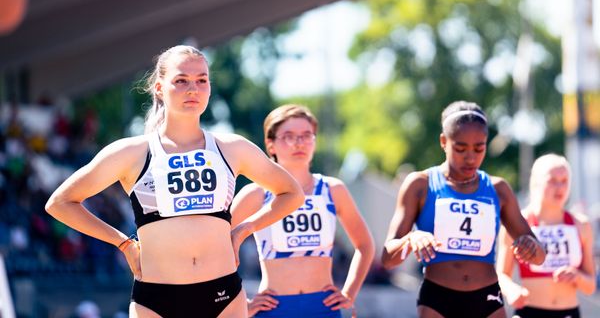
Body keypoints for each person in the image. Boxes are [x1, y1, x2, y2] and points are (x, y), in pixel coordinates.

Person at [45, 45, 304, 318]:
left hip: (224, 296)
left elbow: (291, 193)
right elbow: (60, 203)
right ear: (159, 88)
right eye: (181, 80)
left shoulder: (233, 148)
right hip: (156, 300)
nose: (193, 89)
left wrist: (243, 230)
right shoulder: (132, 152)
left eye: (202, 80)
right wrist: (123, 243)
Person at [381, 100, 546, 318]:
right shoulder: (419, 185)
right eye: (460, 148)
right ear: (443, 141)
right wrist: (411, 239)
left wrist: (530, 246)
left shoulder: (498, 190)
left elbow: (540, 257)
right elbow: (387, 258)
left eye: (479, 148)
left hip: (487, 299)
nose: (470, 157)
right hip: (437, 299)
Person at [231, 104, 375, 317]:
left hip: (323, 307)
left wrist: (349, 293)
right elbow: (217, 247)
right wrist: (242, 301)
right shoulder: (256, 194)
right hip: (273, 308)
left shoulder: (333, 189)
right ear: (270, 145)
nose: (299, 143)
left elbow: (365, 245)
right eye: (288, 136)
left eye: (307, 135)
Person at [497, 154, 596, 318]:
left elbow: (591, 285)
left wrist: (576, 276)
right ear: (536, 182)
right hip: (529, 312)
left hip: (569, 312)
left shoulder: (581, 225)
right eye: (552, 181)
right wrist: (512, 291)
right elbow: (501, 275)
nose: (560, 187)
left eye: (564, 181)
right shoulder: (517, 224)